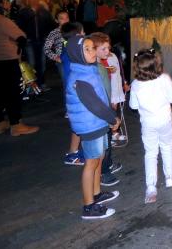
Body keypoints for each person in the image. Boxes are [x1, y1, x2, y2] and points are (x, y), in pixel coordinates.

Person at [65, 35, 121, 219]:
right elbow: (94, 105)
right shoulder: (80, 77)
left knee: (99, 158)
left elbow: (101, 97)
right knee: (91, 163)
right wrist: (112, 119)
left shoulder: (90, 69)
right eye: (86, 49)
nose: (91, 52)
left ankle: (96, 194)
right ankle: (89, 206)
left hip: (98, 122)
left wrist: (109, 116)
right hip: (90, 125)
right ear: (76, 54)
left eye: (91, 48)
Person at [129, 48, 172, 204]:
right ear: (156, 63)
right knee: (167, 147)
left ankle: (151, 187)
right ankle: (169, 177)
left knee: (150, 153)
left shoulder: (135, 84)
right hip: (164, 121)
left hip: (148, 124)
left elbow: (133, 106)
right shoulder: (164, 78)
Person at [0, 0, 39, 136]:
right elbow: (21, 37)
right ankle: (16, 124)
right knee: (12, 93)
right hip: (8, 60)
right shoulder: (2, 20)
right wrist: (18, 49)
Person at [89, 32, 123, 186]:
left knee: (107, 141)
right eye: (103, 49)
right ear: (93, 49)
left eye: (108, 48)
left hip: (106, 108)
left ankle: (107, 165)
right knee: (103, 145)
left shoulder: (101, 66)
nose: (107, 52)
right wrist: (109, 113)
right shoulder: (94, 69)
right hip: (102, 112)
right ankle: (103, 173)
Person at [16, 0, 56, 89]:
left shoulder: (44, 11)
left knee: (42, 63)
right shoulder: (23, 12)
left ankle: (41, 83)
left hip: (42, 40)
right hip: (29, 41)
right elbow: (19, 27)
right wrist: (24, 38)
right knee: (32, 64)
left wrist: (48, 37)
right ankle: (33, 87)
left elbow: (51, 25)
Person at [60, 22, 86, 165]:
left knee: (79, 124)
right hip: (76, 93)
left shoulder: (67, 51)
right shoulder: (72, 54)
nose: (84, 35)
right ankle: (72, 153)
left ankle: (74, 151)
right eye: (82, 33)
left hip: (73, 92)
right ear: (77, 36)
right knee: (78, 125)